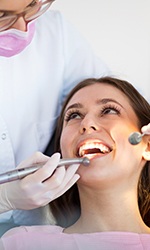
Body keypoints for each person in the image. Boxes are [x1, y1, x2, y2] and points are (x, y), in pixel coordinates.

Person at [0, 0, 111, 235]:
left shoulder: (55, 34)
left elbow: (105, 93)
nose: (22, 28)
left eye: (31, 5)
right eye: (2, 15)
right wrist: (4, 198)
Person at [0, 76, 150, 250]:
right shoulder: (22, 244)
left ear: (147, 146)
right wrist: (4, 198)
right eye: (74, 115)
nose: (87, 123)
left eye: (109, 110)